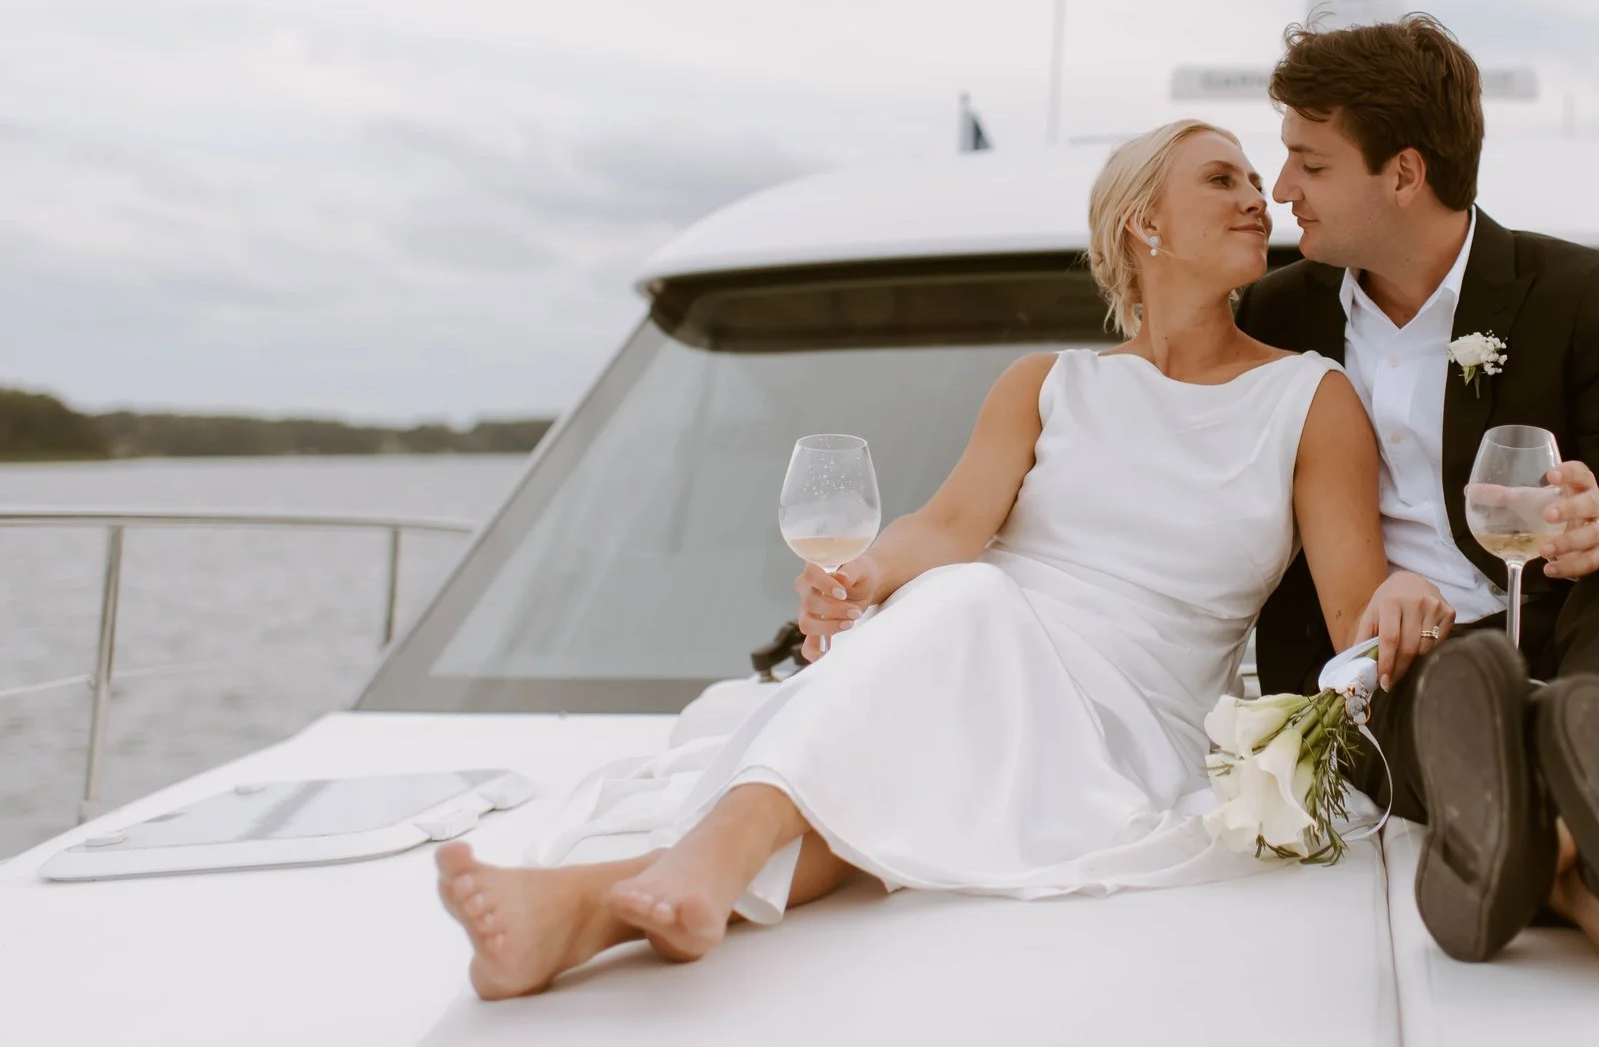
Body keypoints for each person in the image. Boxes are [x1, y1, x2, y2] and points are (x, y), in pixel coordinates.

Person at [434, 120, 1452, 999]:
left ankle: (687, 863)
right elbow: (949, 523)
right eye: (1222, 179)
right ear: (1143, 222)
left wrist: (1410, 591)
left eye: (1255, 180)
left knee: (961, 611)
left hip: (1127, 716)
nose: (1258, 198)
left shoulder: (1308, 398)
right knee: (926, 712)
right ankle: (583, 912)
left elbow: (1354, 612)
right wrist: (862, 577)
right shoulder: (1046, 383)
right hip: (974, 653)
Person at [1238, 15, 1599, 992]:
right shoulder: (1275, 317)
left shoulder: (1587, 295)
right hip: (1411, 669)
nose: (1283, 190)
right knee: (1451, 682)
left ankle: (1544, 844)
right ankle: (1591, 870)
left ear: (1404, 174)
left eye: (1309, 164)